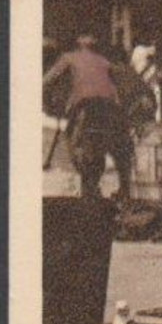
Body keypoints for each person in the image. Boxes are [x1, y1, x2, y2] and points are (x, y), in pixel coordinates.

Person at [43, 35, 133, 200]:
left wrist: (49, 105)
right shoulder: (104, 61)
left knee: (77, 143)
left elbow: (47, 82)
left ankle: (89, 186)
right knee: (115, 145)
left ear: (78, 46)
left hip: (85, 107)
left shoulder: (69, 58)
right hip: (109, 107)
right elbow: (120, 84)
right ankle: (123, 189)